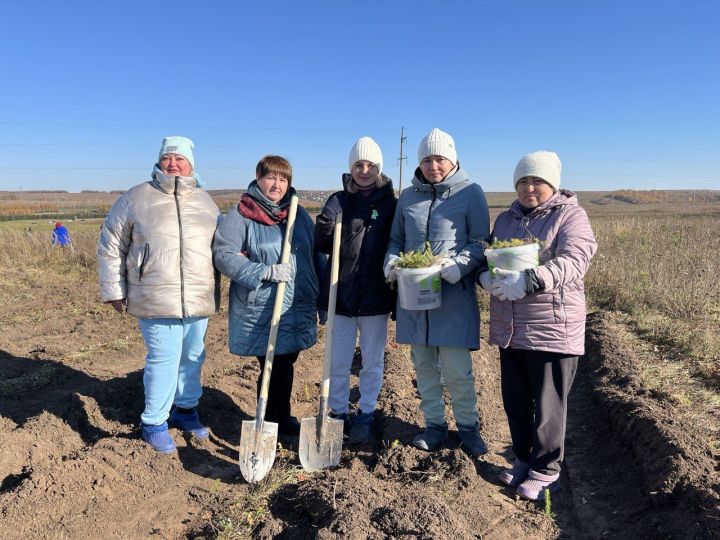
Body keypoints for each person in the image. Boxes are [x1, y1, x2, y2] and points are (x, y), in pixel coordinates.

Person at [478, 150, 597, 501]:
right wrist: (484, 277)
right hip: (511, 328)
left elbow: (574, 261)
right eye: (524, 181)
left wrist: (530, 281)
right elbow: (488, 253)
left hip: (552, 328)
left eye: (538, 181)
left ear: (553, 184)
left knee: (548, 406)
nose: (530, 188)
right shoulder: (505, 220)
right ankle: (523, 458)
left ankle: (546, 470)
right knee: (515, 400)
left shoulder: (571, 216)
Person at [97, 136, 220, 454]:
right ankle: (153, 422)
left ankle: (186, 410)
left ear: (191, 164)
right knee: (164, 358)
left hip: (198, 295)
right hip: (153, 293)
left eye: (180, 159)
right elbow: (111, 243)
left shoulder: (206, 201)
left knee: (192, 356)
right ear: (159, 161)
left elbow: (223, 246)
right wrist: (113, 288)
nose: (173, 163)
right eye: (168, 158)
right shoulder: (136, 197)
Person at [384, 128, 490, 458]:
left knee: (457, 369)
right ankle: (434, 426)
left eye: (440, 159)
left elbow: (481, 241)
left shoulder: (471, 192)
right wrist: (392, 261)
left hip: (453, 297)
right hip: (415, 299)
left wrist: (460, 264)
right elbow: (396, 240)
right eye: (427, 160)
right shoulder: (408, 196)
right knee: (425, 367)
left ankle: (469, 428)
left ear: (452, 159)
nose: (434, 166)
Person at [213, 155, 319, 436]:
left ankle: (280, 417)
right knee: (274, 362)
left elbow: (314, 253)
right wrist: (264, 271)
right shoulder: (242, 214)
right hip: (263, 306)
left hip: (296, 303)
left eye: (283, 179)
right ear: (258, 178)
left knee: (286, 361)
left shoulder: (299, 215)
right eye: (271, 177)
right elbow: (223, 256)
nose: (277, 184)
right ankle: (272, 422)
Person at [314, 136, 397, 443]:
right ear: (350, 168)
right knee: (338, 360)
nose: (364, 171)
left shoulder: (391, 205)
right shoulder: (339, 200)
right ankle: (337, 412)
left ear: (379, 168)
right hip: (342, 296)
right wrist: (324, 226)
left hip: (376, 297)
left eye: (370, 165)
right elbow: (322, 245)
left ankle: (366, 412)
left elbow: (396, 243)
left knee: (372, 361)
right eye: (358, 165)